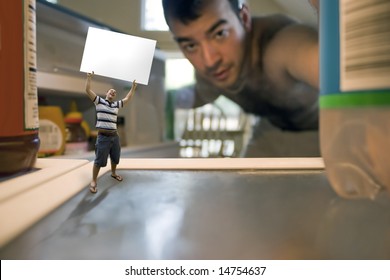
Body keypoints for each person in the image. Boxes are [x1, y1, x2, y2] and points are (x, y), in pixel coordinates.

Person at [162, 0, 320, 157]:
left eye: (220, 33)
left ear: (244, 18)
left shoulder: (280, 45)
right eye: (190, 46)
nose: (209, 61)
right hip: (271, 129)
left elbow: (321, 63)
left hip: (325, 128)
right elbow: (196, 96)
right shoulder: (211, 73)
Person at [85, 72, 137, 193]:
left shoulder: (116, 105)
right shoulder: (99, 101)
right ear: (106, 93)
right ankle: (93, 180)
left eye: (115, 92)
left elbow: (128, 98)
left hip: (115, 136)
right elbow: (87, 90)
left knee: (115, 156)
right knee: (99, 160)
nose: (113, 93)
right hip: (103, 137)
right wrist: (89, 78)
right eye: (111, 91)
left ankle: (113, 173)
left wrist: (133, 87)